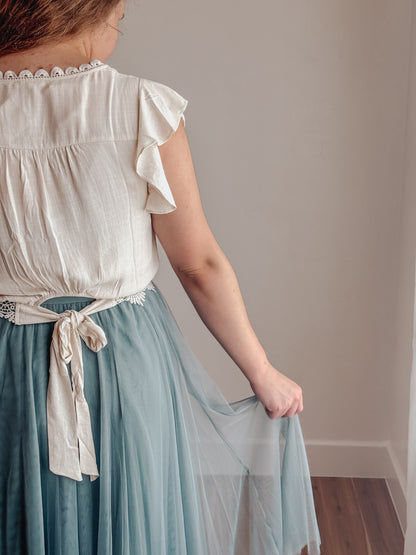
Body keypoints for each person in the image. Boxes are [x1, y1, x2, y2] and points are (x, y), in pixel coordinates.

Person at [0, 0, 321, 553]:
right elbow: (197, 265)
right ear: (90, 14)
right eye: (119, 19)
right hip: (123, 358)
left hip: (11, 357)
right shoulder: (141, 108)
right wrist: (262, 372)